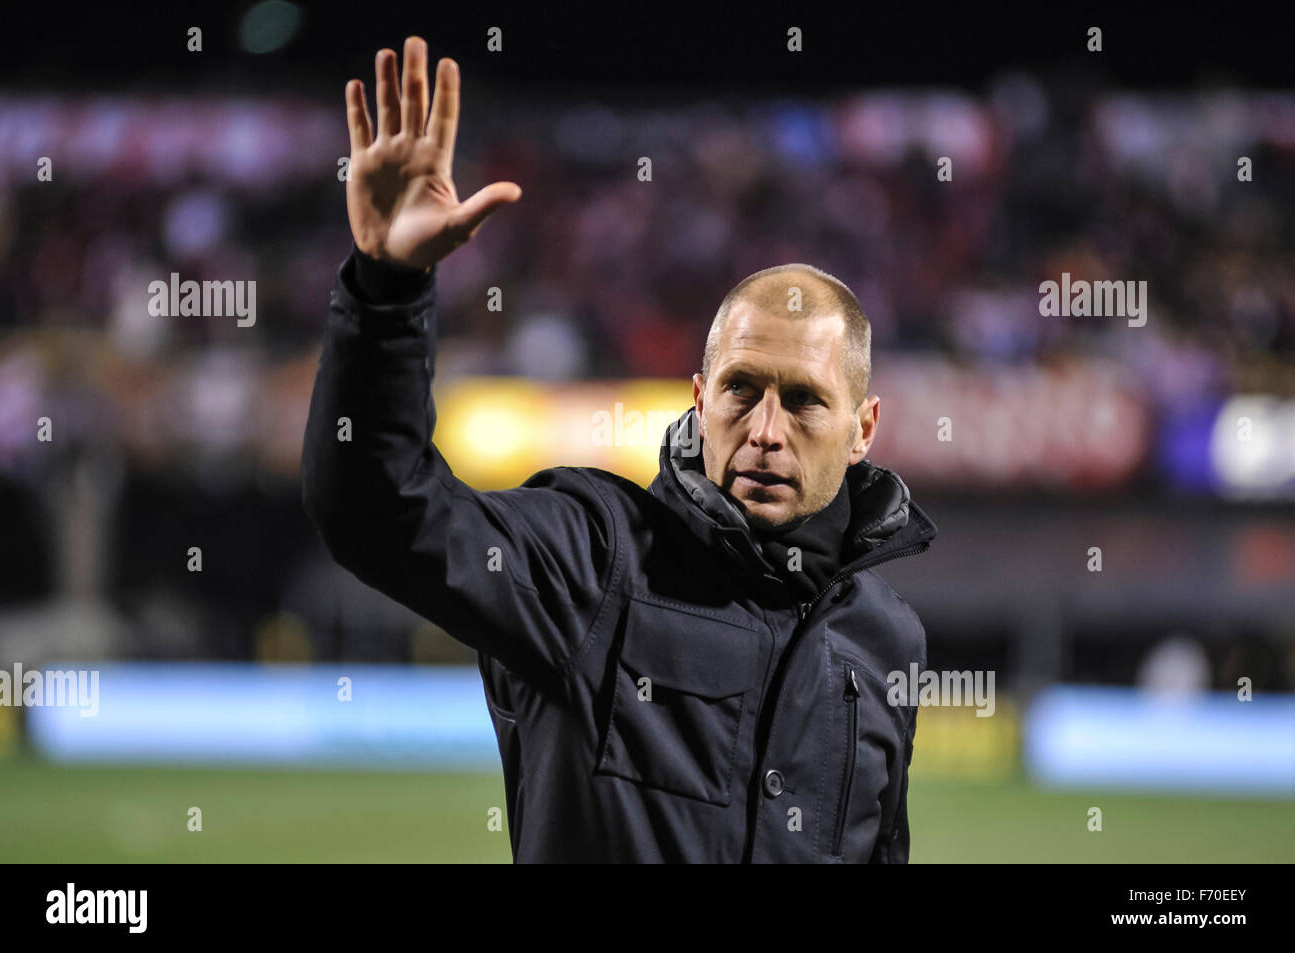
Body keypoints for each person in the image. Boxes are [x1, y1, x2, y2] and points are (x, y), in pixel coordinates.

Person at [302, 36, 937, 862]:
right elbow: (379, 510)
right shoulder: (592, 557)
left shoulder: (890, 641)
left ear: (864, 429)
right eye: (742, 390)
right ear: (701, 401)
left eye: (807, 400)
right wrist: (387, 294)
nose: (767, 430)